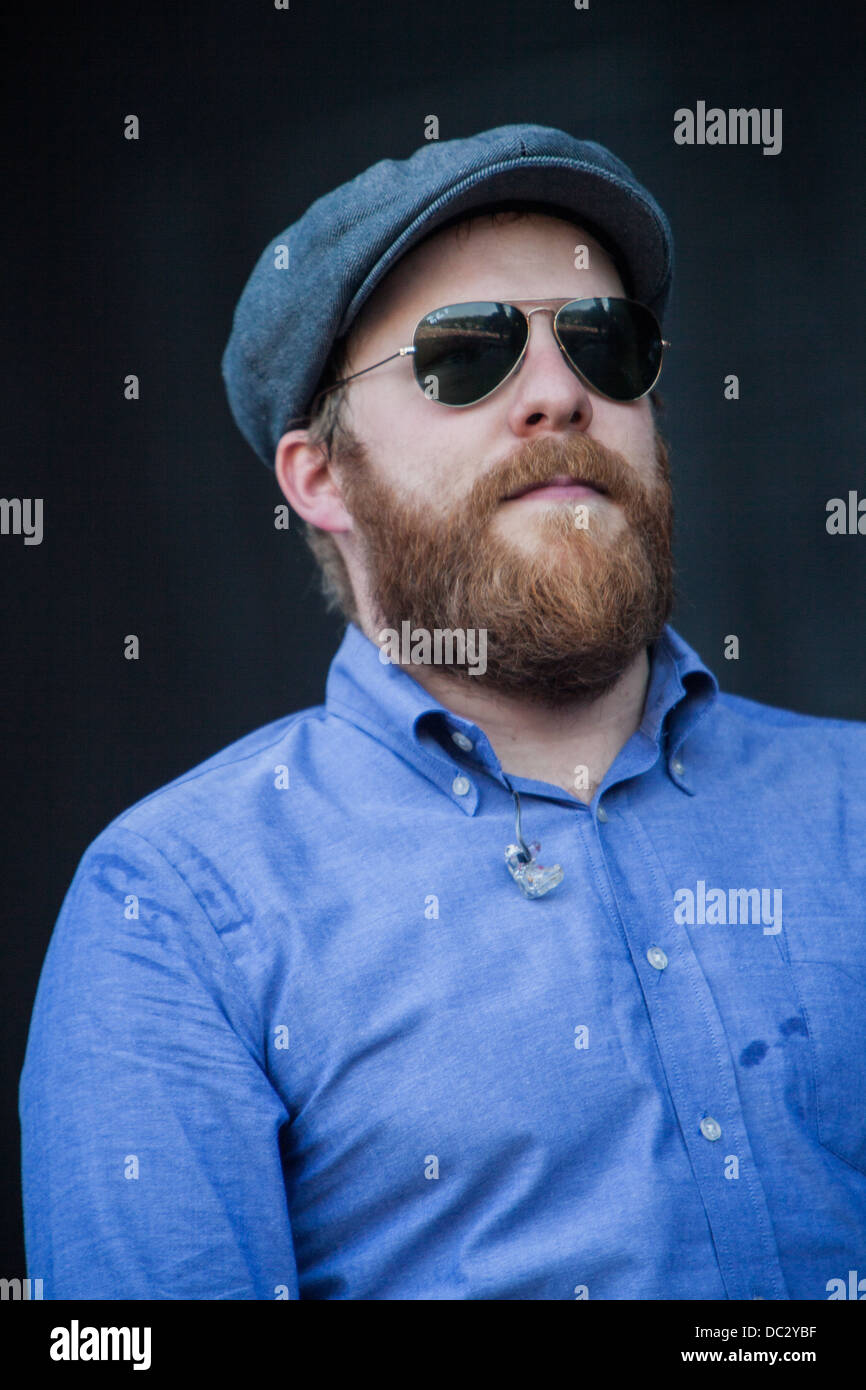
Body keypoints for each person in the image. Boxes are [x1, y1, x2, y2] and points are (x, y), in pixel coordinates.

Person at [19, 125, 866, 1301]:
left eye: (601, 344)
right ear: (318, 478)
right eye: (465, 354)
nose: (558, 393)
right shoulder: (173, 911)